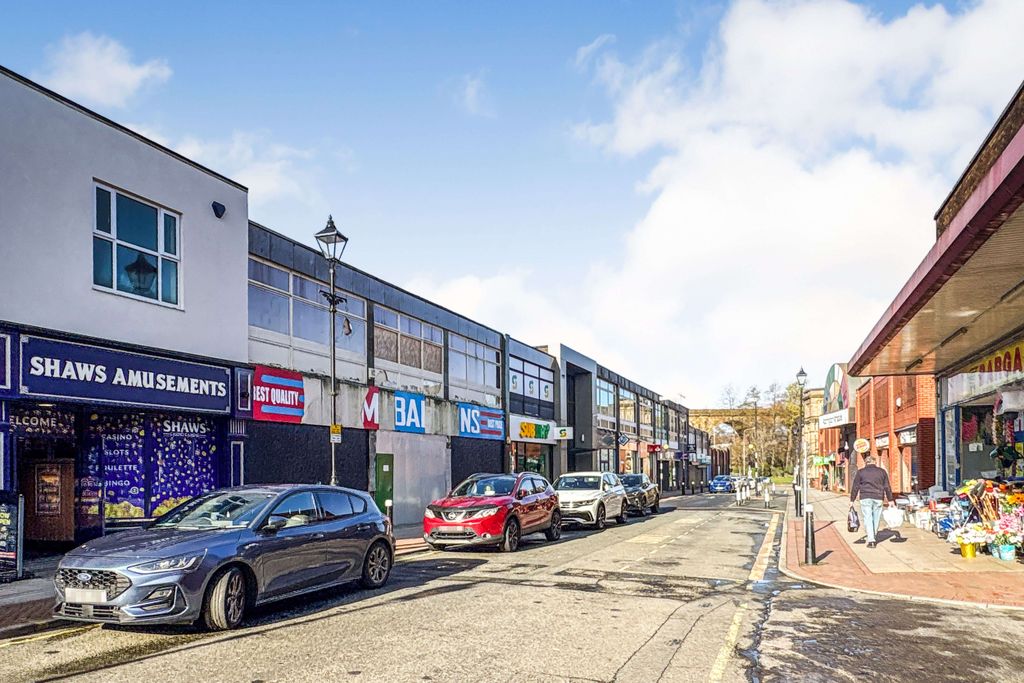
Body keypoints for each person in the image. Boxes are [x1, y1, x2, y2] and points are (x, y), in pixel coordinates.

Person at [850, 455, 894, 548]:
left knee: (868, 518)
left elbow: (855, 486)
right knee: (876, 518)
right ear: (875, 462)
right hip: (878, 497)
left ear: (866, 462)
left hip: (865, 497)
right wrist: (890, 499)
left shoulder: (861, 472)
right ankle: (873, 536)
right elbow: (887, 486)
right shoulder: (882, 472)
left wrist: (852, 500)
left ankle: (871, 540)